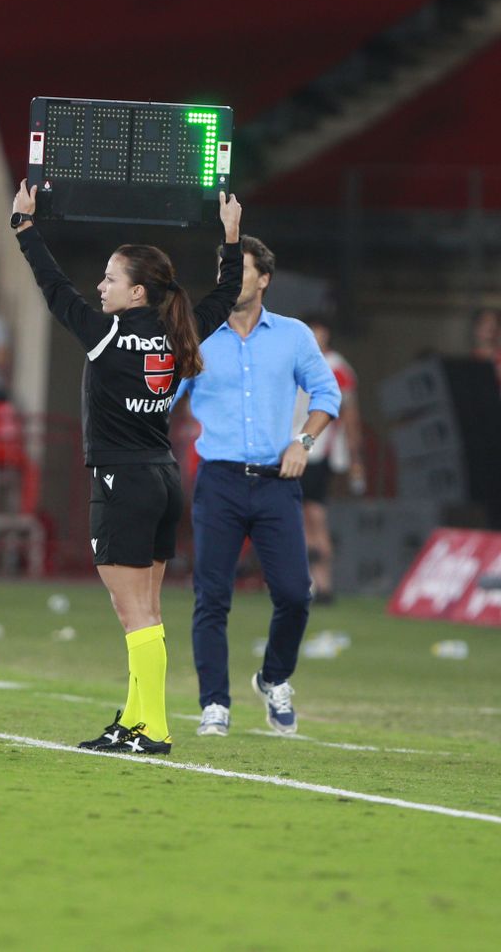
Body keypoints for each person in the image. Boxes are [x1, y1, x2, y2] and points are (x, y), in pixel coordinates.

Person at [12, 180, 243, 755]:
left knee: (132, 611)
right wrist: (231, 237)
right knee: (147, 610)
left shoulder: (108, 333)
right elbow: (226, 293)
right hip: (162, 478)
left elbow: (53, 287)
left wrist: (25, 228)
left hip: (122, 481)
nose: (100, 285)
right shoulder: (176, 330)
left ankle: (155, 728)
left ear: (137, 291)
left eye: (111, 278)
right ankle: (137, 722)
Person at [177, 236, 341, 738]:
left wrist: (303, 441)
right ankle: (214, 705)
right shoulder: (196, 336)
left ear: (264, 278)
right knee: (212, 597)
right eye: (223, 269)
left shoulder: (292, 336)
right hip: (219, 481)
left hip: (276, 481)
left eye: (240, 270)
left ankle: (273, 678)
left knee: (295, 593)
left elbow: (327, 392)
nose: (229, 278)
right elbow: (160, 395)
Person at [293, 314, 364, 603]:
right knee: (299, 516)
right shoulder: (294, 361)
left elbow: (350, 415)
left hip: (318, 450)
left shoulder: (337, 368)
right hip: (290, 445)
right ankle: (310, 584)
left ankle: (323, 583)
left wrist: (355, 458)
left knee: (314, 516)